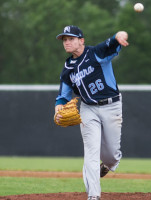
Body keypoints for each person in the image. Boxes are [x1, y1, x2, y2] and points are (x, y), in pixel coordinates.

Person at [54, 25, 129, 200]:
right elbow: (62, 97)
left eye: (71, 38)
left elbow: (115, 38)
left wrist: (121, 34)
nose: (67, 42)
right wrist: (58, 108)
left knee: (111, 156)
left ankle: (107, 165)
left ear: (81, 40)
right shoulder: (68, 69)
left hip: (111, 106)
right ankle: (93, 196)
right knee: (91, 151)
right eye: (64, 40)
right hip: (88, 109)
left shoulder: (95, 53)